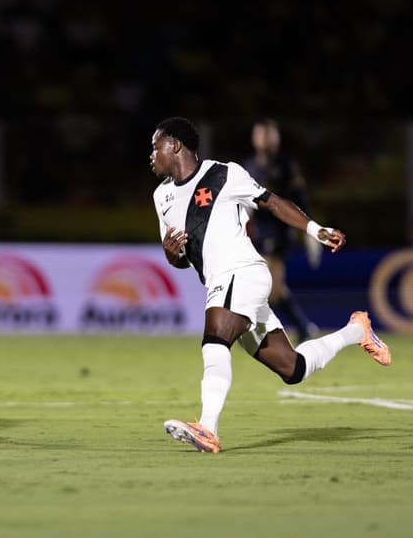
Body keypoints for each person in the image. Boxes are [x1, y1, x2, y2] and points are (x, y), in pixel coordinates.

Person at [148, 116, 390, 453]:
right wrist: (171, 254)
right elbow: (179, 257)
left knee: (215, 340)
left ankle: (207, 427)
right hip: (221, 281)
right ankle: (357, 330)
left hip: (243, 272)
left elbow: (273, 202)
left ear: (174, 145)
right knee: (293, 368)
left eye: (155, 146)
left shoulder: (225, 174)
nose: (151, 154)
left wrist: (315, 230)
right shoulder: (162, 198)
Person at [242, 118, 318, 342]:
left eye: (268, 134)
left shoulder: (286, 165)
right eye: (260, 134)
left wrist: (310, 230)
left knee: (269, 285)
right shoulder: (249, 166)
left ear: (276, 138)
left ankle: (257, 330)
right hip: (256, 232)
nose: (264, 139)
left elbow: (300, 199)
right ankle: (303, 327)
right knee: (274, 288)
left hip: (279, 231)